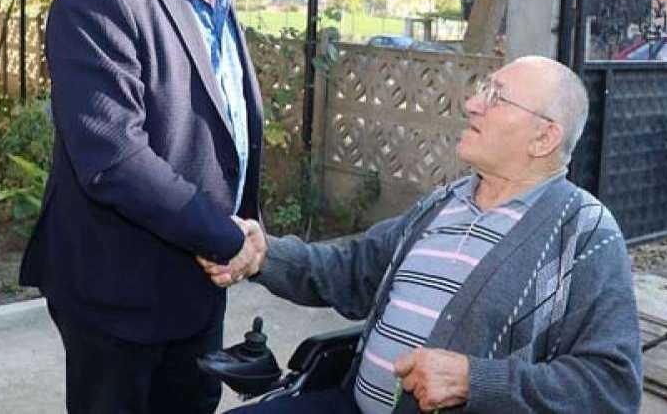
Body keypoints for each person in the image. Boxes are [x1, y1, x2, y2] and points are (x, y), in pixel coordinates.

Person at [204, 56, 643, 413]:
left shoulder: (586, 233)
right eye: (481, 90)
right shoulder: (443, 203)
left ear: (544, 137)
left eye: (496, 97)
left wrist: (476, 381)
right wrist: (265, 255)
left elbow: (612, 387)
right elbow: (353, 271)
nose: (472, 104)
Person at [19, 0, 280, 413]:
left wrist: (243, 229)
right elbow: (114, 159)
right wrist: (226, 238)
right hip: (120, 300)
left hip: (197, 283)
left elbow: (221, 118)